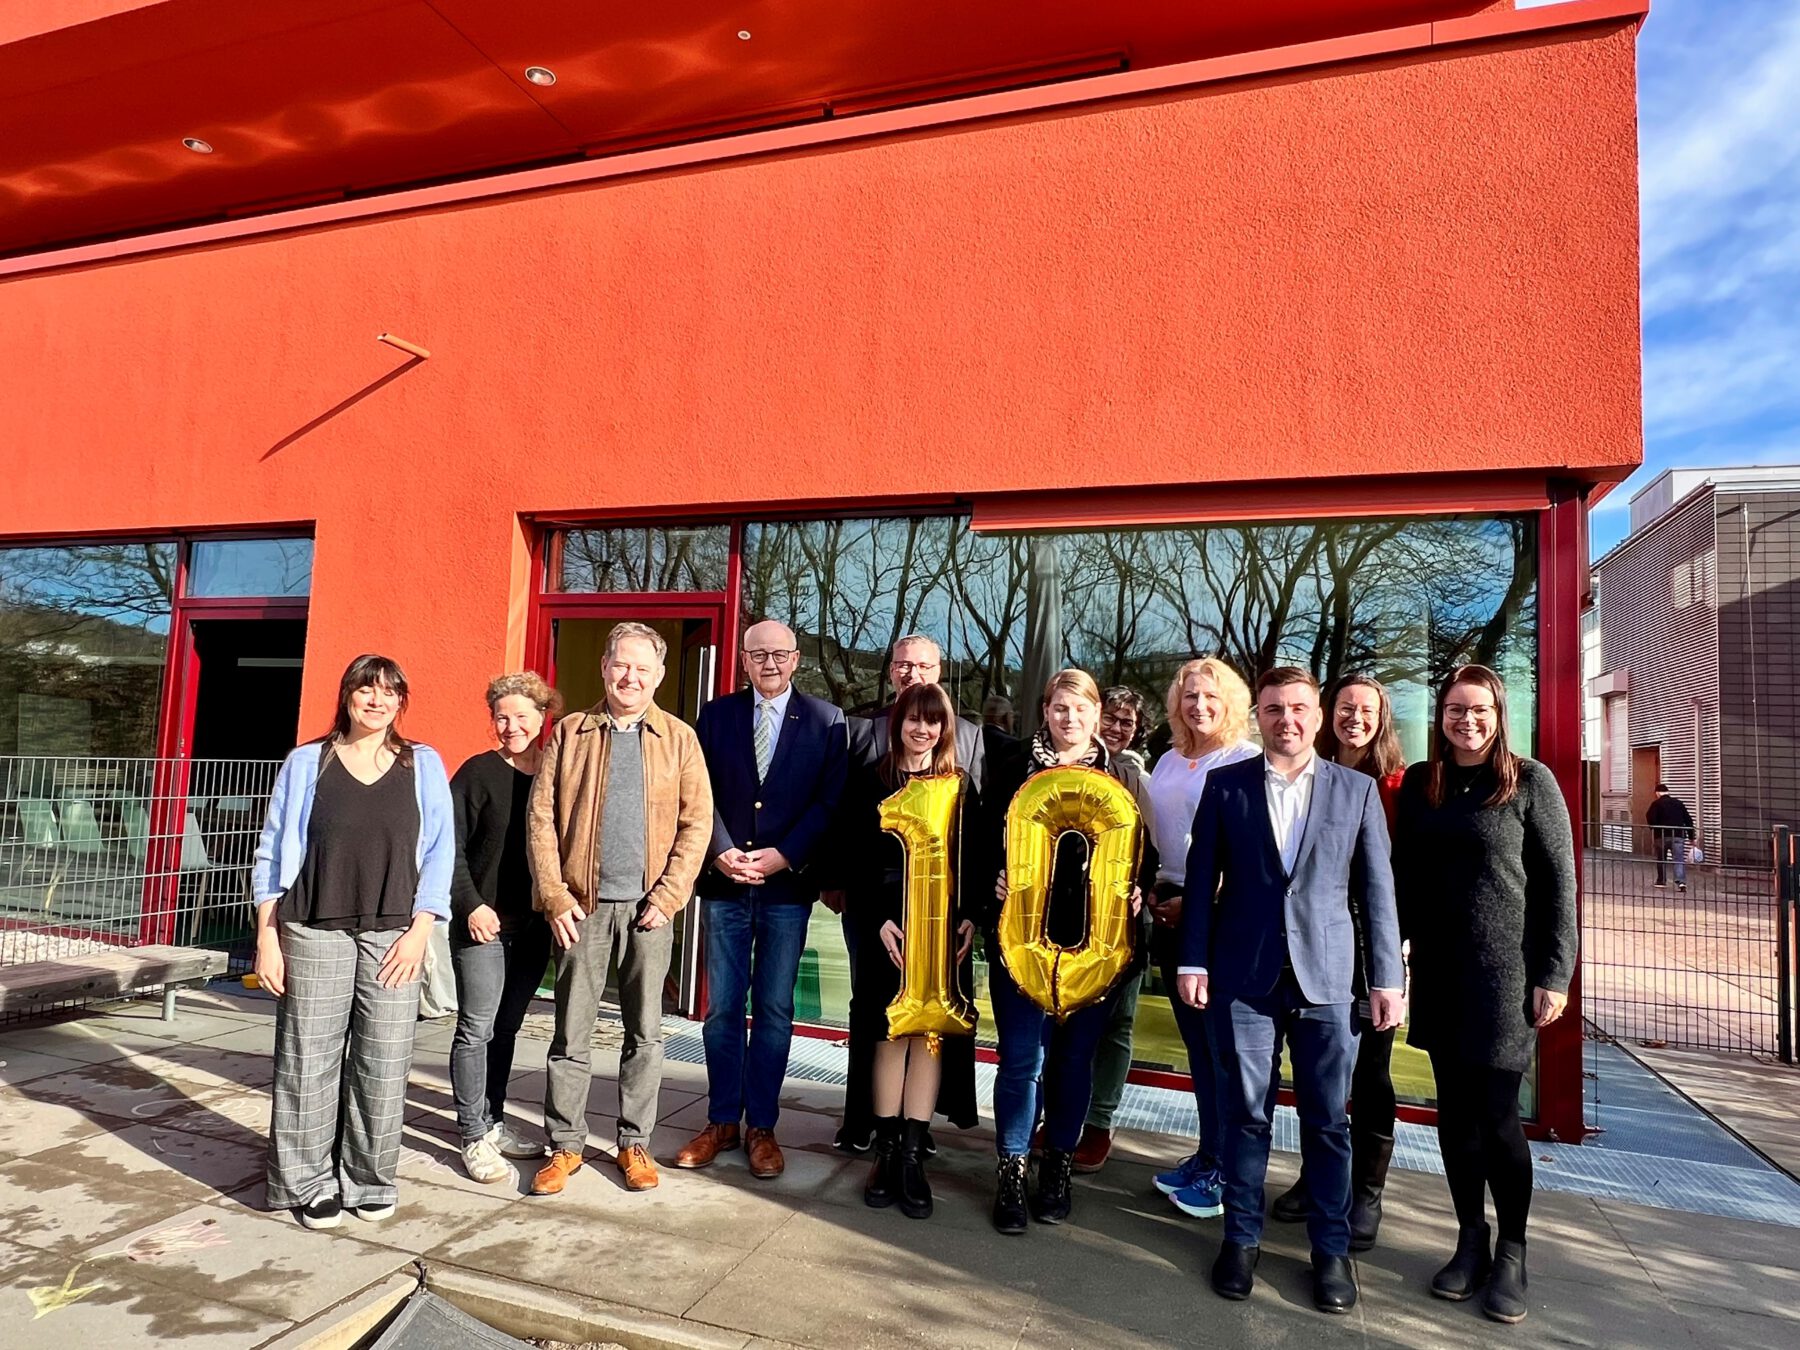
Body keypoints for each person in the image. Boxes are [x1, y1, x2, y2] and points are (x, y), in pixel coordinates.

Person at [1178, 666, 1403, 1314]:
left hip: (1328, 981)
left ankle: (1330, 1252)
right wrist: (1193, 962)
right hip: (1243, 978)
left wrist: (1387, 978)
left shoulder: (1356, 790)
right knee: (1246, 1115)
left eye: (1299, 708)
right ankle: (1240, 1239)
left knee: (1328, 1122)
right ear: (1260, 716)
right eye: (1274, 709)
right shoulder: (1226, 786)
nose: (1287, 720)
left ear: (1318, 713)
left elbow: (1377, 891)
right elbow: (1200, 879)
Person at [1394, 664, 1577, 1326]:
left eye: (1479, 710)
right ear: (1440, 716)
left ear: (1498, 715)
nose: (1466, 720)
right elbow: (1405, 876)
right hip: (1440, 974)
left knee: (1496, 1116)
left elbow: (1559, 882)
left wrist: (1555, 973)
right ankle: (1470, 1237)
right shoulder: (1424, 783)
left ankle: (1513, 1251)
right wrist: (1390, 948)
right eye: (1454, 709)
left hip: (1505, 978)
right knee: (1454, 1115)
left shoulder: (1530, 782)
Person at [252, 654, 456, 1230]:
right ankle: (306, 1182)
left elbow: (441, 851)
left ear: (401, 701)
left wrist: (422, 930)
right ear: (346, 695)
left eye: (389, 691)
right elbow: (272, 850)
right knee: (308, 1060)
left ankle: (369, 1179)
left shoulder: (423, 763)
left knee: (384, 1063)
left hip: (395, 933)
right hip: (312, 925)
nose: (377, 700)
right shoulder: (306, 762)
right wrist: (267, 935)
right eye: (366, 689)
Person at [526, 622, 712, 1197]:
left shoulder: (679, 739)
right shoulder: (570, 734)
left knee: (645, 1033)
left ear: (658, 675)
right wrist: (555, 895)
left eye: (642, 668)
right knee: (570, 1034)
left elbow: (696, 823)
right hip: (580, 909)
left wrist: (669, 896)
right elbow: (540, 820)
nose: (630, 677)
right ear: (605, 668)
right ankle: (565, 1145)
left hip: (648, 911)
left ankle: (635, 1142)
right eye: (621, 665)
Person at [676, 620, 847, 1179]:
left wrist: (786, 855)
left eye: (779, 654)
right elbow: (697, 792)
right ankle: (722, 1120)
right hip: (725, 885)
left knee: (774, 1010)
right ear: (743, 661)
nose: (769, 663)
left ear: (796, 659)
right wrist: (720, 850)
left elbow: (829, 803)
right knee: (723, 1009)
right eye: (758, 654)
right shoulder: (716, 716)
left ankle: (763, 1128)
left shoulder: (826, 720)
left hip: (785, 890)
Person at [984, 668, 1147, 1235]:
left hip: (1096, 946)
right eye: (1059, 708)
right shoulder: (1011, 766)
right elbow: (979, 838)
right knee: (1021, 1060)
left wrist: (1138, 889)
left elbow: (1145, 853)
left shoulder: (1123, 775)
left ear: (1097, 714)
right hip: (1020, 942)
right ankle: (1011, 1167)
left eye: (1080, 709)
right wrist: (992, 882)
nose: (1069, 718)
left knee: (1074, 1061)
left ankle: (1057, 1165)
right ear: (1045, 712)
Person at [829, 632, 987, 1152]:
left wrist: (970, 913)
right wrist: (871, 914)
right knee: (880, 1023)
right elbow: (852, 849)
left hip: (941, 922)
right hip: (881, 917)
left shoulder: (964, 771)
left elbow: (973, 854)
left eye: (931, 721)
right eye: (913, 720)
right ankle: (875, 1130)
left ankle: (915, 1139)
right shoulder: (865, 760)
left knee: (930, 1029)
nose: (922, 729)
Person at [1271, 673, 1408, 1249]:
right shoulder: (1308, 773)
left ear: (1382, 718)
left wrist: (1393, 955)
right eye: (1346, 706)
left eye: (1367, 709)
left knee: (1371, 1070)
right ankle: (1319, 1176)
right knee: (1320, 1070)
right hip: (1315, 939)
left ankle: (1366, 1193)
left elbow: (1395, 875)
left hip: (1370, 941)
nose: (1356, 717)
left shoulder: (1399, 784)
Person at [1143, 658, 1260, 1221]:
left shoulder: (1243, 759)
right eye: (1190, 696)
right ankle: (1208, 1153)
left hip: (1213, 912)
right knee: (1197, 1048)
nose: (1200, 705)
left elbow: (1246, 852)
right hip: (1170, 908)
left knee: (1221, 1052)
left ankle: (1225, 1173)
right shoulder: (1168, 758)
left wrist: (1196, 901)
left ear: (1232, 702)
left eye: (1211, 696)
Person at [448, 672, 563, 1184]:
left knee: (507, 1026)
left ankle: (492, 1120)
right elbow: (446, 848)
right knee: (476, 1028)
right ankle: (472, 1134)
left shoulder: (555, 774)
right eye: (501, 717)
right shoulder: (476, 774)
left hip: (534, 925)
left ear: (542, 717)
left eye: (521, 716)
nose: (511, 726)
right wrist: (471, 904)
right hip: (483, 924)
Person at [1061, 684, 1156, 1173]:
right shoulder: (1065, 767)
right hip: (1068, 921)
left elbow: (1150, 851)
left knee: (1116, 1023)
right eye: (1111, 718)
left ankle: (1099, 1122)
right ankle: (1062, 1116)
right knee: (1068, 1024)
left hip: (1121, 922)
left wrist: (1140, 890)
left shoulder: (1136, 779)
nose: (1117, 728)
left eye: (1128, 723)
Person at [1647, 783, 1696, 892]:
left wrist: (1654, 828)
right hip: (1678, 835)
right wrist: (1691, 837)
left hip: (1661, 836)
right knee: (1678, 859)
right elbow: (1688, 820)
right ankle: (1681, 882)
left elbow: (1650, 818)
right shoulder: (1678, 803)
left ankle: (1661, 880)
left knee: (1661, 858)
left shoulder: (1656, 804)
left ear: (1657, 793)